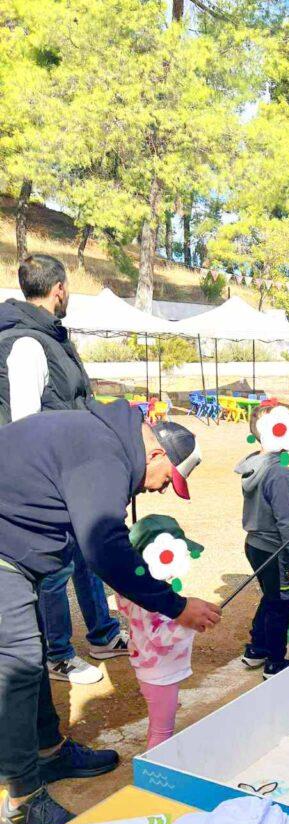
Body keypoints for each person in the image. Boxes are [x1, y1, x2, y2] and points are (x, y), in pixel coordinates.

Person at [0, 400, 220, 824]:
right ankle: (23, 800)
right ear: (156, 453)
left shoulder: (106, 443)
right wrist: (175, 605)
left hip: (14, 547)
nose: (161, 490)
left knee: (31, 654)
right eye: (167, 480)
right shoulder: (103, 456)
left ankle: (49, 752)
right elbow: (104, 547)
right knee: (17, 663)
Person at [0, 254, 128, 687]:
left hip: (69, 471)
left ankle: (103, 634)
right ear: (59, 289)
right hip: (46, 479)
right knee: (54, 571)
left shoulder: (50, 336)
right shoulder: (27, 343)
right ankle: (57, 654)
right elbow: (25, 425)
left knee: (85, 554)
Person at [116, 515, 201, 749]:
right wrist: (191, 622)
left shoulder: (138, 590)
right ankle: (154, 766)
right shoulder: (150, 601)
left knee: (160, 724)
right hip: (159, 673)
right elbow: (159, 635)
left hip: (153, 669)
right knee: (162, 732)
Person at [236, 412, 289, 678]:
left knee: (271, 596)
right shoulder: (280, 474)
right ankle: (275, 662)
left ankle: (257, 648)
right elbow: (286, 521)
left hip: (256, 545)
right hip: (275, 548)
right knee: (281, 603)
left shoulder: (254, 464)